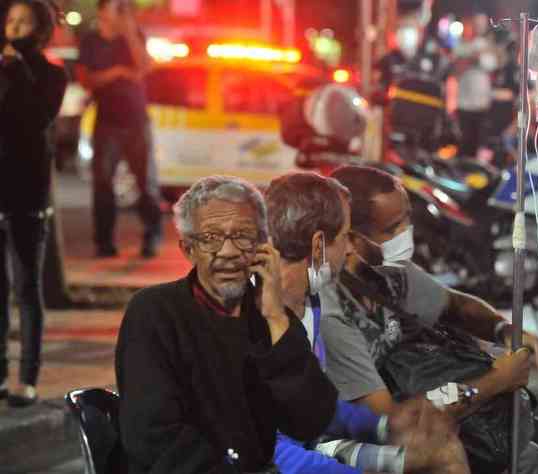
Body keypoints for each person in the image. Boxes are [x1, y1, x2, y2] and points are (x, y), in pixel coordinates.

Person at [326, 165, 538, 474]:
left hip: (447, 408)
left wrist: (502, 328)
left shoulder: (388, 275)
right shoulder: (333, 316)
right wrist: (494, 381)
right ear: (350, 238)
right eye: (391, 229)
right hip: (392, 436)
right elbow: (391, 420)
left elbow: (453, 305)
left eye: (407, 221)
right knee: (530, 461)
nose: (405, 235)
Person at [115, 175, 338, 474]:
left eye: (243, 236)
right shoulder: (155, 311)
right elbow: (154, 435)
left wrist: (275, 318)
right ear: (188, 249)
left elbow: (311, 419)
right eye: (211, 238)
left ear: (262, 246)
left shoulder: (270, 318)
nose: (229, 252)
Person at [263, 171, 470, 474]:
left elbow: (312, 405)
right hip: (275, 461)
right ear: (319, 244)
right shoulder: (254, 319)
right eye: (346, 236)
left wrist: (389, 426)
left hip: (310, 446)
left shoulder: (310, 302)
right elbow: (270, 449)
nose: (350, 249)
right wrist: (393, 464)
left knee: (444, 453)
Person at [0, 0, 67, 407]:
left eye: (23, 22)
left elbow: (37, 117)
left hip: (27, 195)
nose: (14, 28)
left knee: (27, 287)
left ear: (39, 29)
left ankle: (28, 376)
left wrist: (17, 70)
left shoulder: (51, 73)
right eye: (10, 21)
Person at [77, 0, 161, 258]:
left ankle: (151, 236)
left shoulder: (134, 36)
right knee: (102, 184)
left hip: (136, 121)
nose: (122, 12)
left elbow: (145, 68)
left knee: (145, 182)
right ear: (102, 11)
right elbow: (85, 80)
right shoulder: (91, 41)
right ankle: (104, 242)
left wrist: (130, 33)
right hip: (106, 122)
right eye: (117, 8)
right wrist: (116, 72)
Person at [452, 11, 496, 158]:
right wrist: (472, 57)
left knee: (480, 142)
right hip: (464, 102)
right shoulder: (461, 45)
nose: (478, 27)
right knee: (465, 141)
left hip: (482, 102)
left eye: (482, 24)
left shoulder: (487, 45)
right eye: (476, 24)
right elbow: (456, 67)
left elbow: (492, 64)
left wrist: (476, 58)